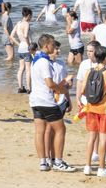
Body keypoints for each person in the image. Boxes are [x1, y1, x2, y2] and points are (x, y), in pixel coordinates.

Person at [29, 34, 75, 172]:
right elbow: (49, 83)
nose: (55, 47)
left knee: (39, 131)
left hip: (35, 100)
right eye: (53, 45)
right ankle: (58, 162)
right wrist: (61, 89)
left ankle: (43, 162)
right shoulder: (44, 61)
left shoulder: (35, 59)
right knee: (60, 129)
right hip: (46, 101)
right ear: (46, 46)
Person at [78, 46, 106, 177]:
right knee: (103, 137)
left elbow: (83, 90)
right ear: (105, 58)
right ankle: (101, 168)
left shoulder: (89, 71)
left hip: (91, 108)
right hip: (105, 109)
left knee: (91, 137)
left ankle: (87, 166)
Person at [44, 40, 73, 168]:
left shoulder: (61, 64)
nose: (58, 51)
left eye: (59, 49)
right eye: (56, 49)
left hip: (61, 100)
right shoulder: (46, 64)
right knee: (49, 130)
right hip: (50, 100)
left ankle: (54, 157)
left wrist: (69, 99)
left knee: (55, 131)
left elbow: (65, 83)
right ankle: (48, 158)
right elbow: (48, 85)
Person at [10, 7, 33, 93]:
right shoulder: (26, 24)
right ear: (29, 15)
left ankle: (20, 87)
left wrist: (19, 44)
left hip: (20, 49)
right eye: (31, 16)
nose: (31, 18)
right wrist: (29, 45)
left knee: (21, 68)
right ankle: (29, 88)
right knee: (28, 69)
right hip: (27, 49)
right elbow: (26, 35)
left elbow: (11, 36)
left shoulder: (18, 23)